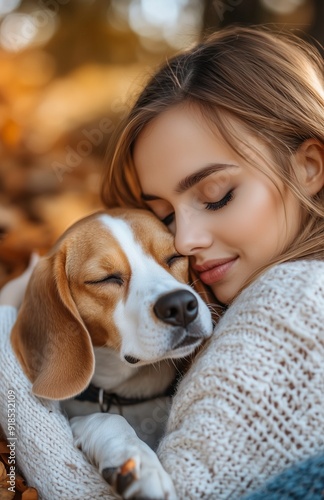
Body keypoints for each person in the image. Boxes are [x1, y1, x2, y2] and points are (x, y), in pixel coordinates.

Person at [0, 25, 323, 499]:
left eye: (217, 196)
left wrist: (6, 354)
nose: (186, 242)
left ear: (311, 167)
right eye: (165, 215)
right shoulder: (226, 287)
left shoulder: (295, 301)